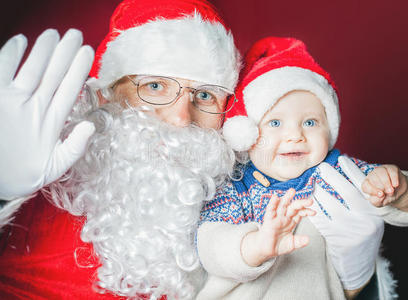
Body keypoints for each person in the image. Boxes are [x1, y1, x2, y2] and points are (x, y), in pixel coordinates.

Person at [0, 0, 240, 299]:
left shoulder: (241, 203)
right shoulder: (38, 174)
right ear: (105, 96)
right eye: (154, 87)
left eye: (204, 95)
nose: (180, 119)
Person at [196, 37, 408, 299]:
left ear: (329, 129)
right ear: (246, 134)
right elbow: (210, 242)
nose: (295, 135)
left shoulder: (335, 171)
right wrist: (256, 245)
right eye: (275, 123)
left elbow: (405, 203)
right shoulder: (236, 184)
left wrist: (399, 189)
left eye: (310, 122)